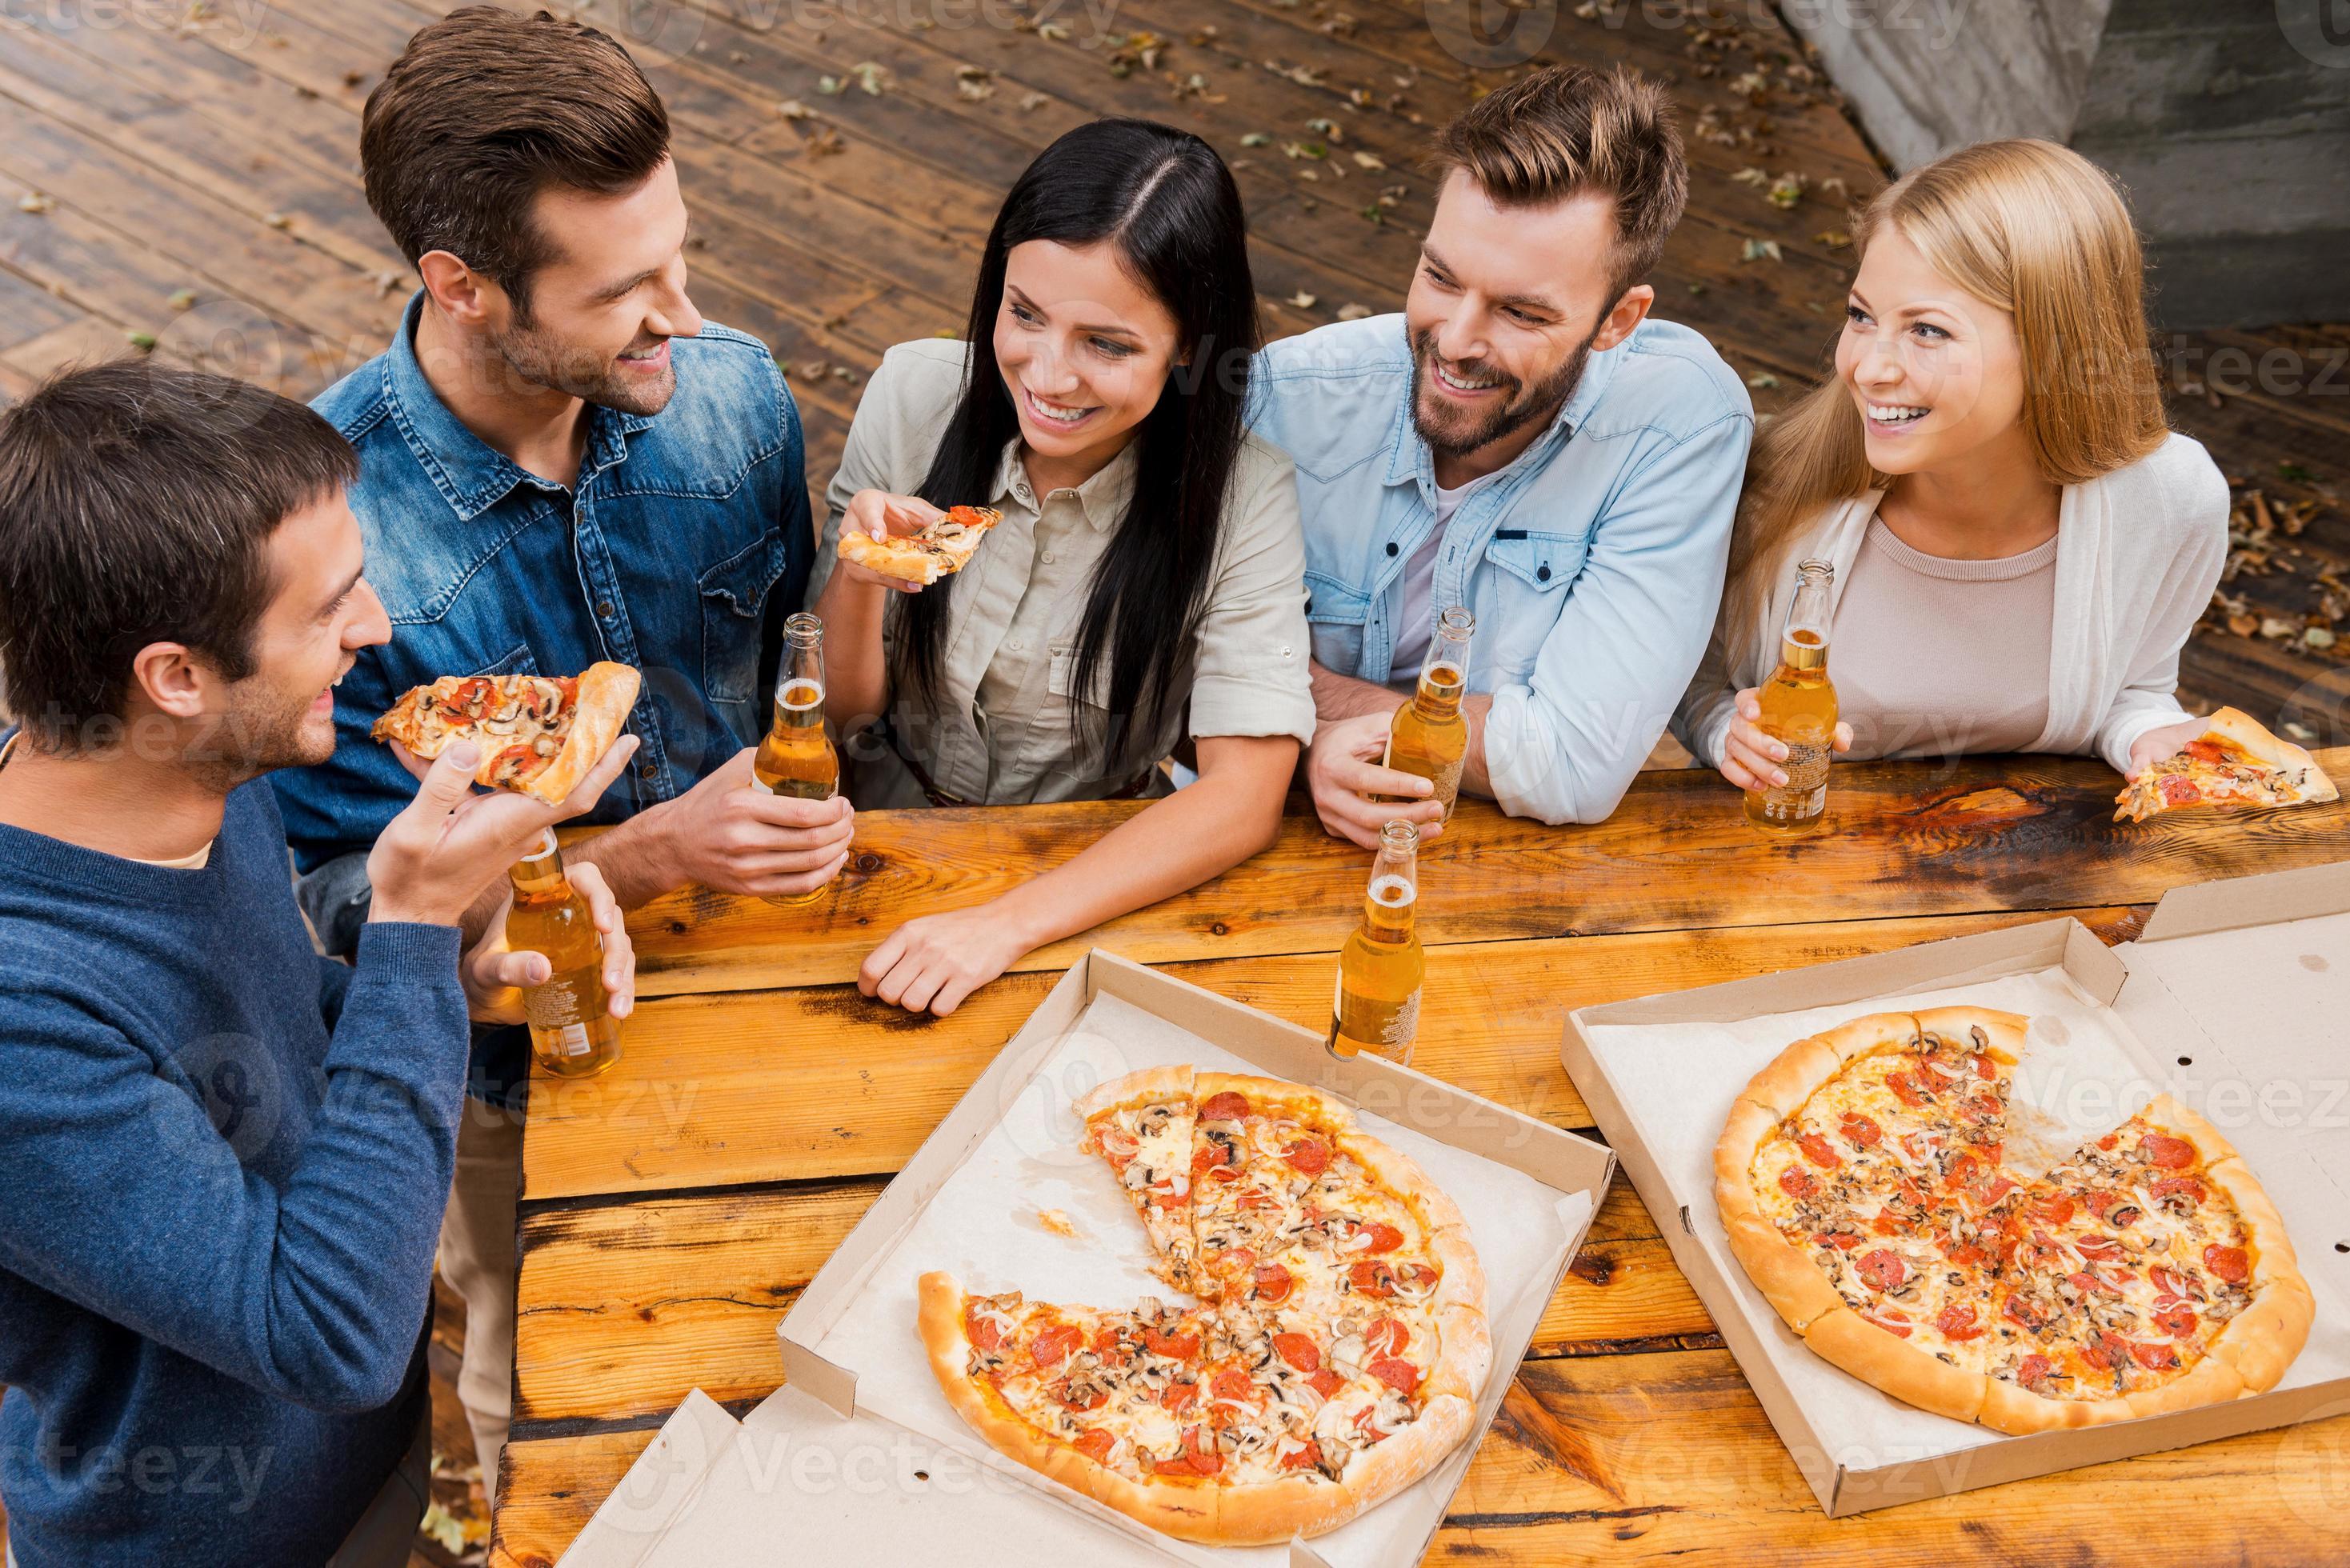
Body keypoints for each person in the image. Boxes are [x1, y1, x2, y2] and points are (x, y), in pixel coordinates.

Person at [268, 7, 844, 1503]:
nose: (689, 317)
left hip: (776, 992)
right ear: (461, 286)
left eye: (679, 253)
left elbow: (790, 665)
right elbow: (328, 915)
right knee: (561, 1426)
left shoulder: (734, 397)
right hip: (513, 1085)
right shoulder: (323, 546)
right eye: (625, 290)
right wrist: (635, 856)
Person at [0, 362, 636, 1567]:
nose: (378, 630)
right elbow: (328, 1337)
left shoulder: (198, 783)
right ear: (175, 677)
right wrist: (405, 931)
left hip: (374, 1460)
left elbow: (260, 1050)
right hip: (210, 1536)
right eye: (331, 605)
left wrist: (454, 987)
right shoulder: (21, 1015)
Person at [809, 118, 1315, 1017]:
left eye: (1107, 345)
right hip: (874, 845)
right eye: (1025, 314)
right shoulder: (913, 395)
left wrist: (1002, 926)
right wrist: (856, 578)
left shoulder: (1245, 499)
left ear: (1190, 347)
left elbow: (1242, 799)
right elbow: (845, 718)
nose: (1047, 376)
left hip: (1094, 880)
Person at [1248, 66, 1752, 846]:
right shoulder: (1288, 397)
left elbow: (1576, 762)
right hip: (1260, 821)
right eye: (1439, 277)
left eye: (1520, 311)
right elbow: (1156, 661)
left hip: (1509, 869)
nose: (1454, 342)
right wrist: (1304, 750)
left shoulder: (1680, 424)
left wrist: (1290, 706)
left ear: (1619, 320)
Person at [1673, 139, 2228, 785]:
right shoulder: (1762, 479)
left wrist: (2145, 733)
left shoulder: (2171, 500)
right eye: (1861, 316)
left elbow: (2133, 690)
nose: (1867, 368)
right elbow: (1684, 677)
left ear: (2053, 345)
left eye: (1926, 330)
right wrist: (1723, 732)